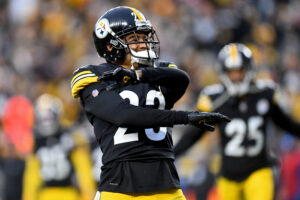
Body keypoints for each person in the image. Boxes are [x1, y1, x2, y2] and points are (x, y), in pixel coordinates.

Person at [70, 6, 230, 200]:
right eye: (133, 38)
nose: (143, 44)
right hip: (120, 189)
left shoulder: (158, 73)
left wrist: (138, 75)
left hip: (167, 187)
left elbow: (182, 79)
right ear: (111, 46)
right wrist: (184, 117)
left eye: (144, 36)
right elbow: (124, 115)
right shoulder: (93, 76)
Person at [174, 43, 300, 200]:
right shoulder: (215, 100)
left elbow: (285, 123)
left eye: (239, 71)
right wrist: (172, 153)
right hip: (228, 175)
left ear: (249, 69)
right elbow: (194, 135)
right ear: (223, 72)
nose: (236, 77)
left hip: (259, 170)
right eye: (231, 72)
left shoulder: (264, 94)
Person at [22, 93, 96, 200]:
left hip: (61, 193)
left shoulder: (69, 136)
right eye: (43, 119)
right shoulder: (70, 135)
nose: (46, 122)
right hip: (60, 194)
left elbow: (31, 178)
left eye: (48, 118)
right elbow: (32, 176)